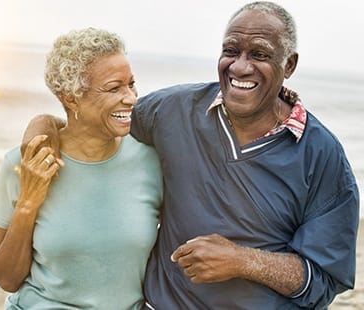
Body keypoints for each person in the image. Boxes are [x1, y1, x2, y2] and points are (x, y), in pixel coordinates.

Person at [20, 2, 360, 309]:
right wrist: (42, 126)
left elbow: (325, 280)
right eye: (231, 50)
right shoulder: (173, 110)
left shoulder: (323, 156)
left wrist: (242, 261)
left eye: (259, 54)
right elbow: (97, 121)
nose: (240, 67)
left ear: (289, 65)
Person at [0, 27, 163, 309]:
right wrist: (29, 203)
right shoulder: (24, 164)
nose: (131, 98)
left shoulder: (151, 161)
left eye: (131, 84)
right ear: (70, 97)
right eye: (114, 88)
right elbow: (6, 279)